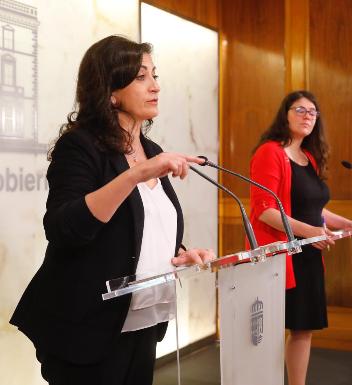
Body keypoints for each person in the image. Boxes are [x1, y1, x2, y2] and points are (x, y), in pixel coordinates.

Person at [9, 35, 214, 385]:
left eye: (154, 74)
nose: (155, 86)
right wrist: (137, 174)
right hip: (87, 325)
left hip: (141, 319)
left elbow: (137, 226)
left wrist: (179, 252)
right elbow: (64, 228)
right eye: (141, 77)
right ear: (110, 91)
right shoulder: (80, 146)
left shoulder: (151, 149)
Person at [249, 90, 352, 385]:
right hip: (282, 257)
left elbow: (315, 209)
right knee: (272, 332)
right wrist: (311, 232)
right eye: (300, 110)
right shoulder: (270, 152)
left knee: (303, 328)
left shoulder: (309, 158)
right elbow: (264, 211)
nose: (307, 116)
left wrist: (346, 223)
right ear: (285, 114)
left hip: (309, 254)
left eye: (312, 112)